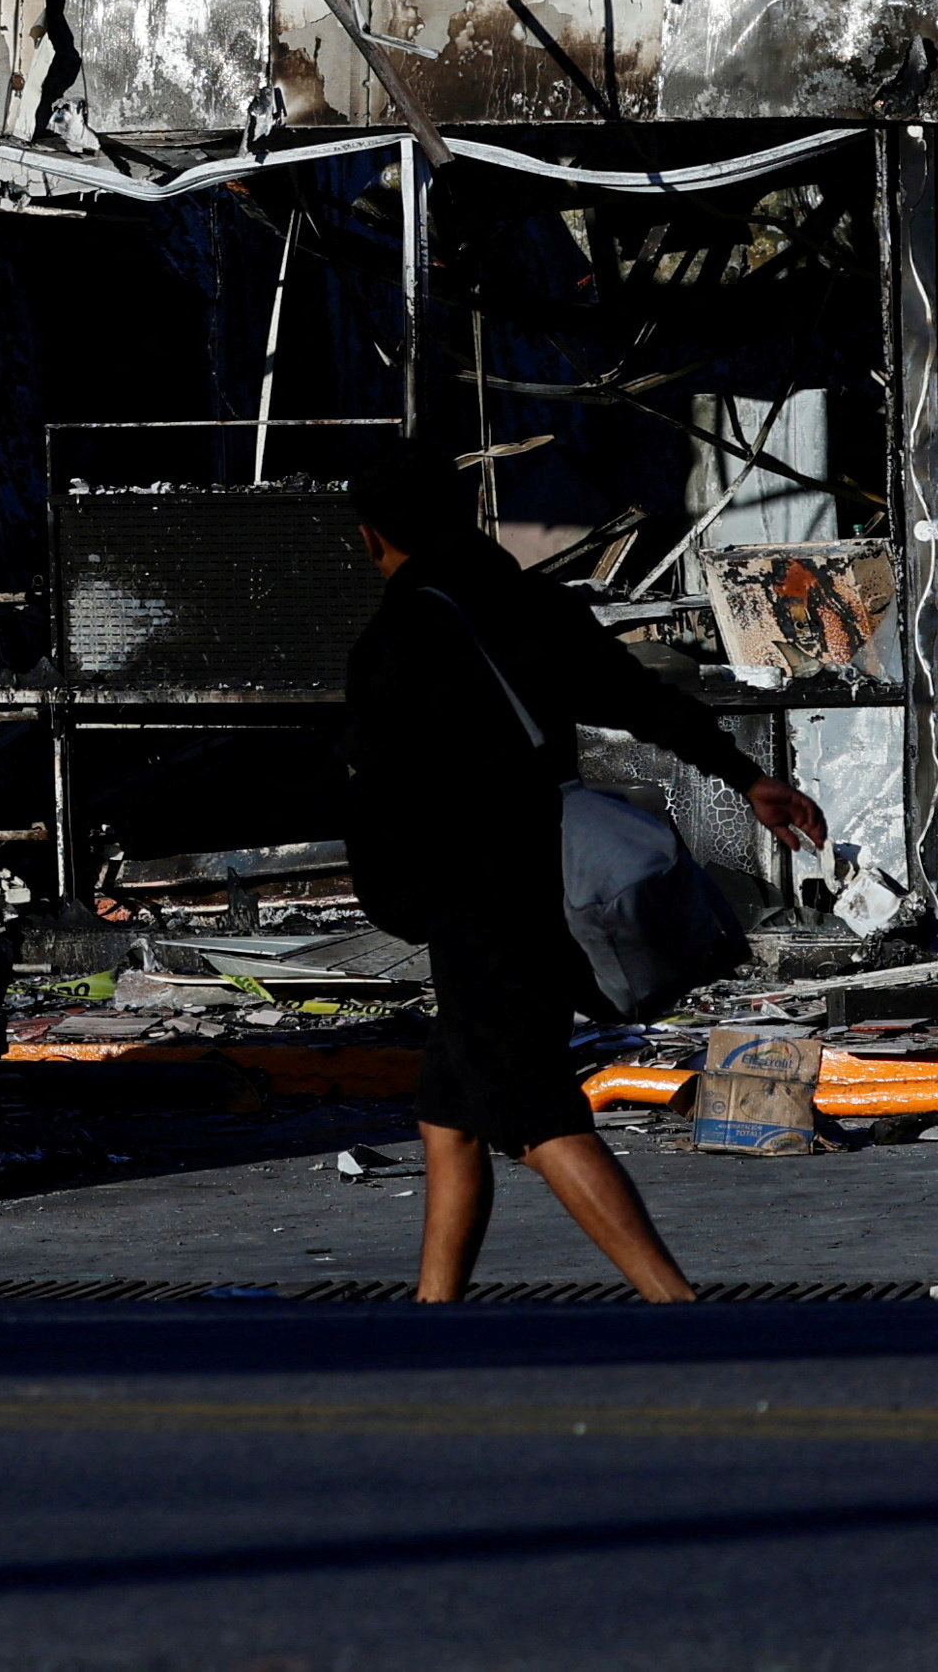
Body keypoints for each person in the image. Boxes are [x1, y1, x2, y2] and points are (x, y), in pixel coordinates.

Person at [338, 444, 828, 1306]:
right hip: (535, 880)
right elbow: (638, 697)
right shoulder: (528, 606)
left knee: (533, 1110)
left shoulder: (397, 638)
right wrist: (744, 776)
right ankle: (431, 1313)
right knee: (448, 1109)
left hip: (469, 902)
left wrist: (399, 903)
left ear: (374, 537)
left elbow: (379, 795)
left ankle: (673, 1304)